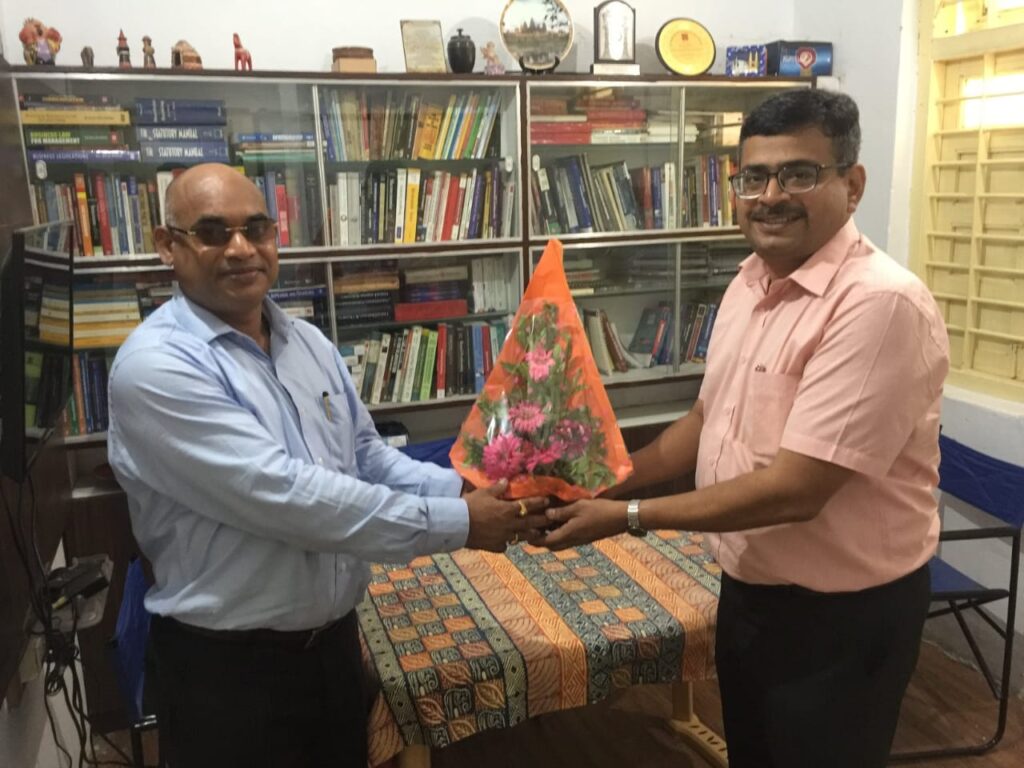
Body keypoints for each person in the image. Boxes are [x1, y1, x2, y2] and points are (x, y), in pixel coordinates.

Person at [540, 89, 950, 767]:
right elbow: (705, 422)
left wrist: (626, 516)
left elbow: (796, 489)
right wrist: (600, 484)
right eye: (753, 178)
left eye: (798, 174)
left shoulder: (879, 304)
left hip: (841, 617)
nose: (770, 196)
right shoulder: (748, 283)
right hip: (750, 592)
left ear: (852, 185)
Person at [106, 163, 548, 768]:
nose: (241, 249)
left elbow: (366, 458)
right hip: (228, 677)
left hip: (333, 651)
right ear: (167, 246)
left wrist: (469, 488)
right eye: (212, 232)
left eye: (256, 228)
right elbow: (291, 498)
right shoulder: (156, 368)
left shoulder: (308, 343)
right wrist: (465, 523)